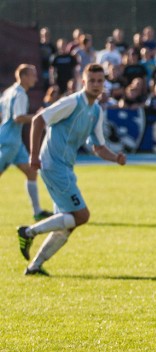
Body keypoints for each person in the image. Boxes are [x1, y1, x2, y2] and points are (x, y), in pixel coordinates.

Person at [17, 63, 126, 276]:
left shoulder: (96, 110)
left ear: (104, 84)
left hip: (65, 168)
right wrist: (34, 155)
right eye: (91, 81)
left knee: (69, 224)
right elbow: (39, 120)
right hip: (53, 165)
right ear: (83, 82)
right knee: (82, 215)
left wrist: (116, 158)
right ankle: (28, 232)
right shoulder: (72, 102)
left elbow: (98, 147)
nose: (96, 85)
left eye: (99, 81)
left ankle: (34, 266)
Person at [0, 64, 52, 221]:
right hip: (10, 142)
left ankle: (37, 212)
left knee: (31, 172)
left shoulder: (9, 91)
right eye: (32, 75)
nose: (35, 78)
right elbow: (18, 117)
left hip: (13, 141)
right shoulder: (20, 94)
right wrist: (38, 117)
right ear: (23, 77)